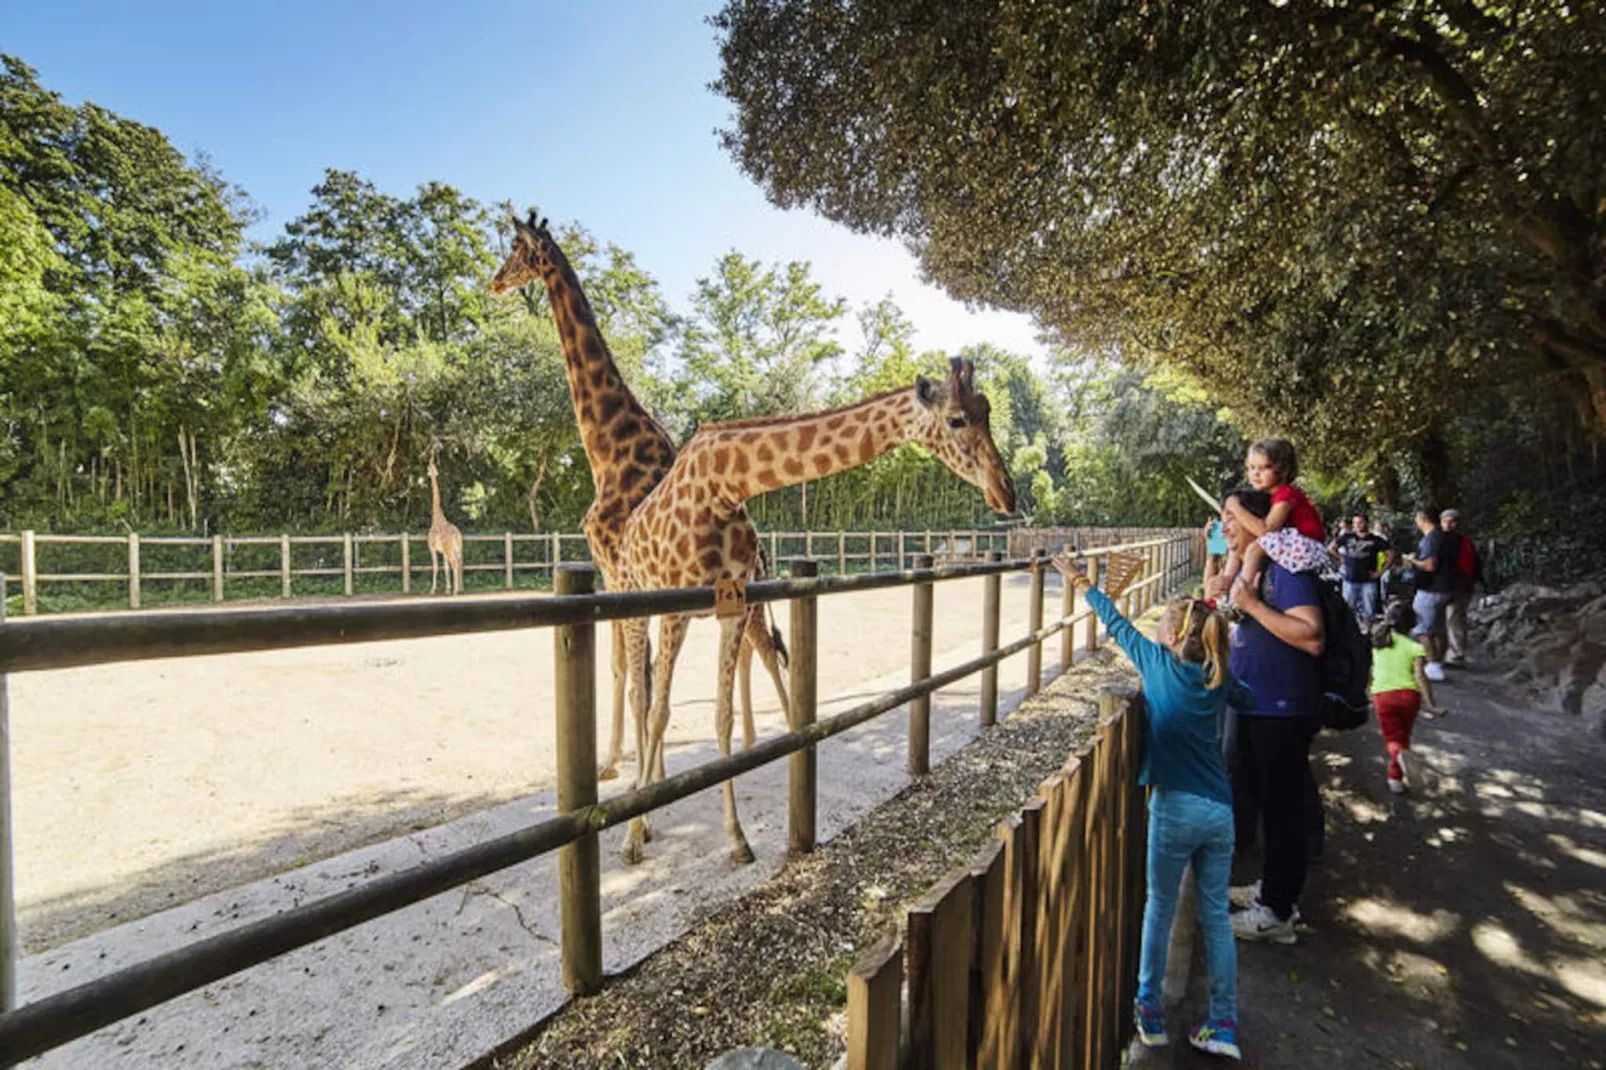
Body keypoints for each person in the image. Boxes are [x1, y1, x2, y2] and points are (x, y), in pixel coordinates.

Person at [1054, 552, 1248, 1060]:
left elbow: (1115, 622)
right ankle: (1223, 1025)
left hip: (1175, 808)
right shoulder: (1218, 675)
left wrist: (1079, 580)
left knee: (1158, 909)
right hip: (1219, 812)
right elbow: (1245, 697)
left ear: (1168, 637)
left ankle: (1150, 1012)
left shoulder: (1157, 664)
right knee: (1216, 919)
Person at [1216, 488, 1326, 945]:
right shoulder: (1250, 567)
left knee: (1283, 810)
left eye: (1231, 517)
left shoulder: (1286, 569)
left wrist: (1255, 606)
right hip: (1257, 705)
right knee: (1271, 804)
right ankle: (1272, 891)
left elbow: (1312, 636)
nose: (1224, 526)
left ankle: (1278, 914)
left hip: (1282, 708)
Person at [1219, 439, 1329, 602]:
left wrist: (1235, 507)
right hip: (1296, 544)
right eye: (1251, 467)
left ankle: (1242, 594)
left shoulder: (1286, 495)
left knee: (1255, 548)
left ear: (1283, 470)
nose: (1256, 473)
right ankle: (1228, 588)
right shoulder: (1271, 497)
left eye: (1265, 467)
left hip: (1308, 547)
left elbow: (1265, 530)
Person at [1369, 598, 1449, 795]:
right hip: (1409, 697)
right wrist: (1431, 704)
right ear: (1413, 623)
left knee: (1393, 740)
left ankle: (1398, 761)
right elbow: (1421, 676)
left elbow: (1370, 671)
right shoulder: (1415, 647)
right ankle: (1395, 779)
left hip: (1383, 696)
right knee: (1403, 737)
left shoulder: (1378, 644)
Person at [1403, 509, 1452, 681]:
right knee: (1438, 628)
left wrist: (1412, 561)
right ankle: (1439, 662)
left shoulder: (1431, 539)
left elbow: (1430, 566)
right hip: (1445, 588)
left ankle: (1433, 665)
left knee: (1422, 629)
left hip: (1430, 589)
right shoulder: (1444, 536)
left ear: (1422, 519)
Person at [1330, 513, 1392, 623]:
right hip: (1350, 579)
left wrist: (1380, 572)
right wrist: (1341, 558)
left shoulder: (1375, 539)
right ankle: (1350, 634)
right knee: (1348, 611)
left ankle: (1368, 633)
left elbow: (1391, 554)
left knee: (1369, 611)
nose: (1357, 525)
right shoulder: (1347, 537)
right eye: (1355, 523)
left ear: (1366, 523)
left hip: (1368, 580)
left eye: (1360, 522)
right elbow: (1331, 548)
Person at [1440, 509, 1481, 667]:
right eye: (1446, 521)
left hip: (1459, 585)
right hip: (1450, 585)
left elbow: (1473, 564)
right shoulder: (1458, 541)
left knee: (1454, 619)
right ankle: (1447, 653)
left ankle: (1456, 654)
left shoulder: (1462, 542)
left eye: (1453, 521)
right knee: (1450, 619)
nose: (1449, 525)